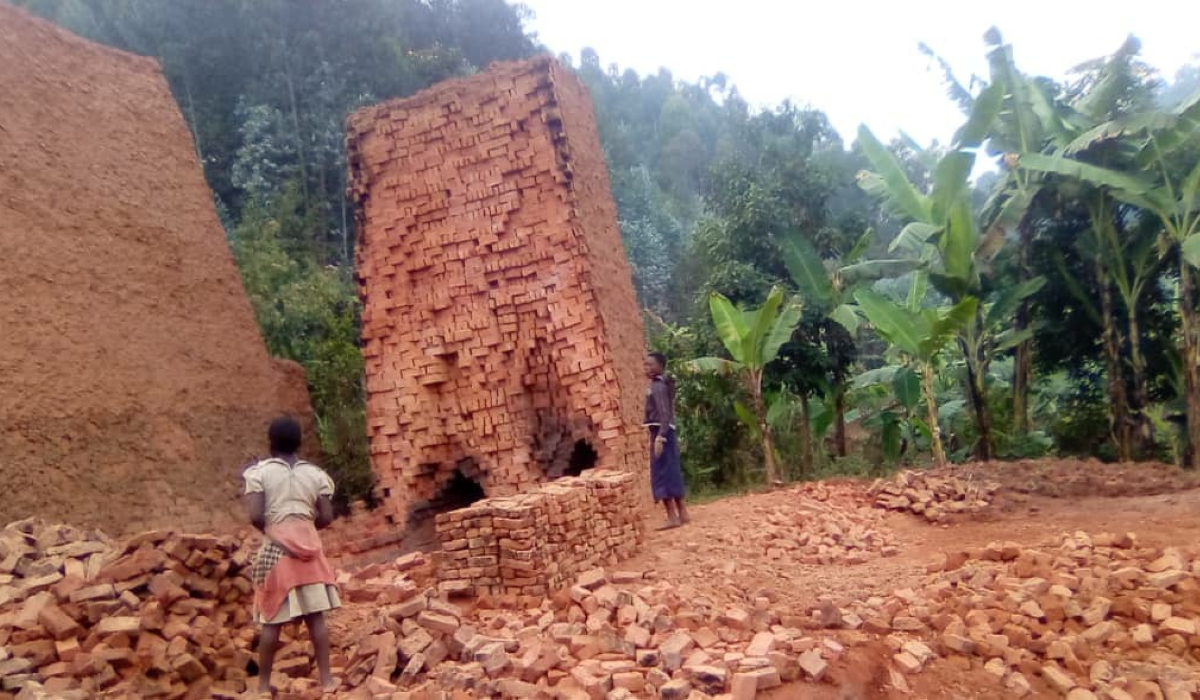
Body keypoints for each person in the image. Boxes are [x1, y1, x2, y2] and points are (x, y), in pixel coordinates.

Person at [243, 416, 340, 698]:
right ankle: (327, 680)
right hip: (310, 546)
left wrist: (276, 534)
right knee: (316, 618)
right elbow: (327, 516)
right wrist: (304, 530)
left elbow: (254, 515)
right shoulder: (316, 475)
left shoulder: (258, 473)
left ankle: (262, 686)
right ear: (300, 443)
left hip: (273, 549)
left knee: (269, 618)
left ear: (270, 442)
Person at [644, 352, 689, 528]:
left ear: (661, 366)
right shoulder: (664, 383)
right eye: (645, 365)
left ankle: (672, 517)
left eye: (650, 365)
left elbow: (664, 412)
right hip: (668, 431)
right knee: (672, 471)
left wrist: (660, 437)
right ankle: (683, 512)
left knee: (662, 474)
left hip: (661, 433)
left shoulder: (657, 386)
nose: (646, 368)